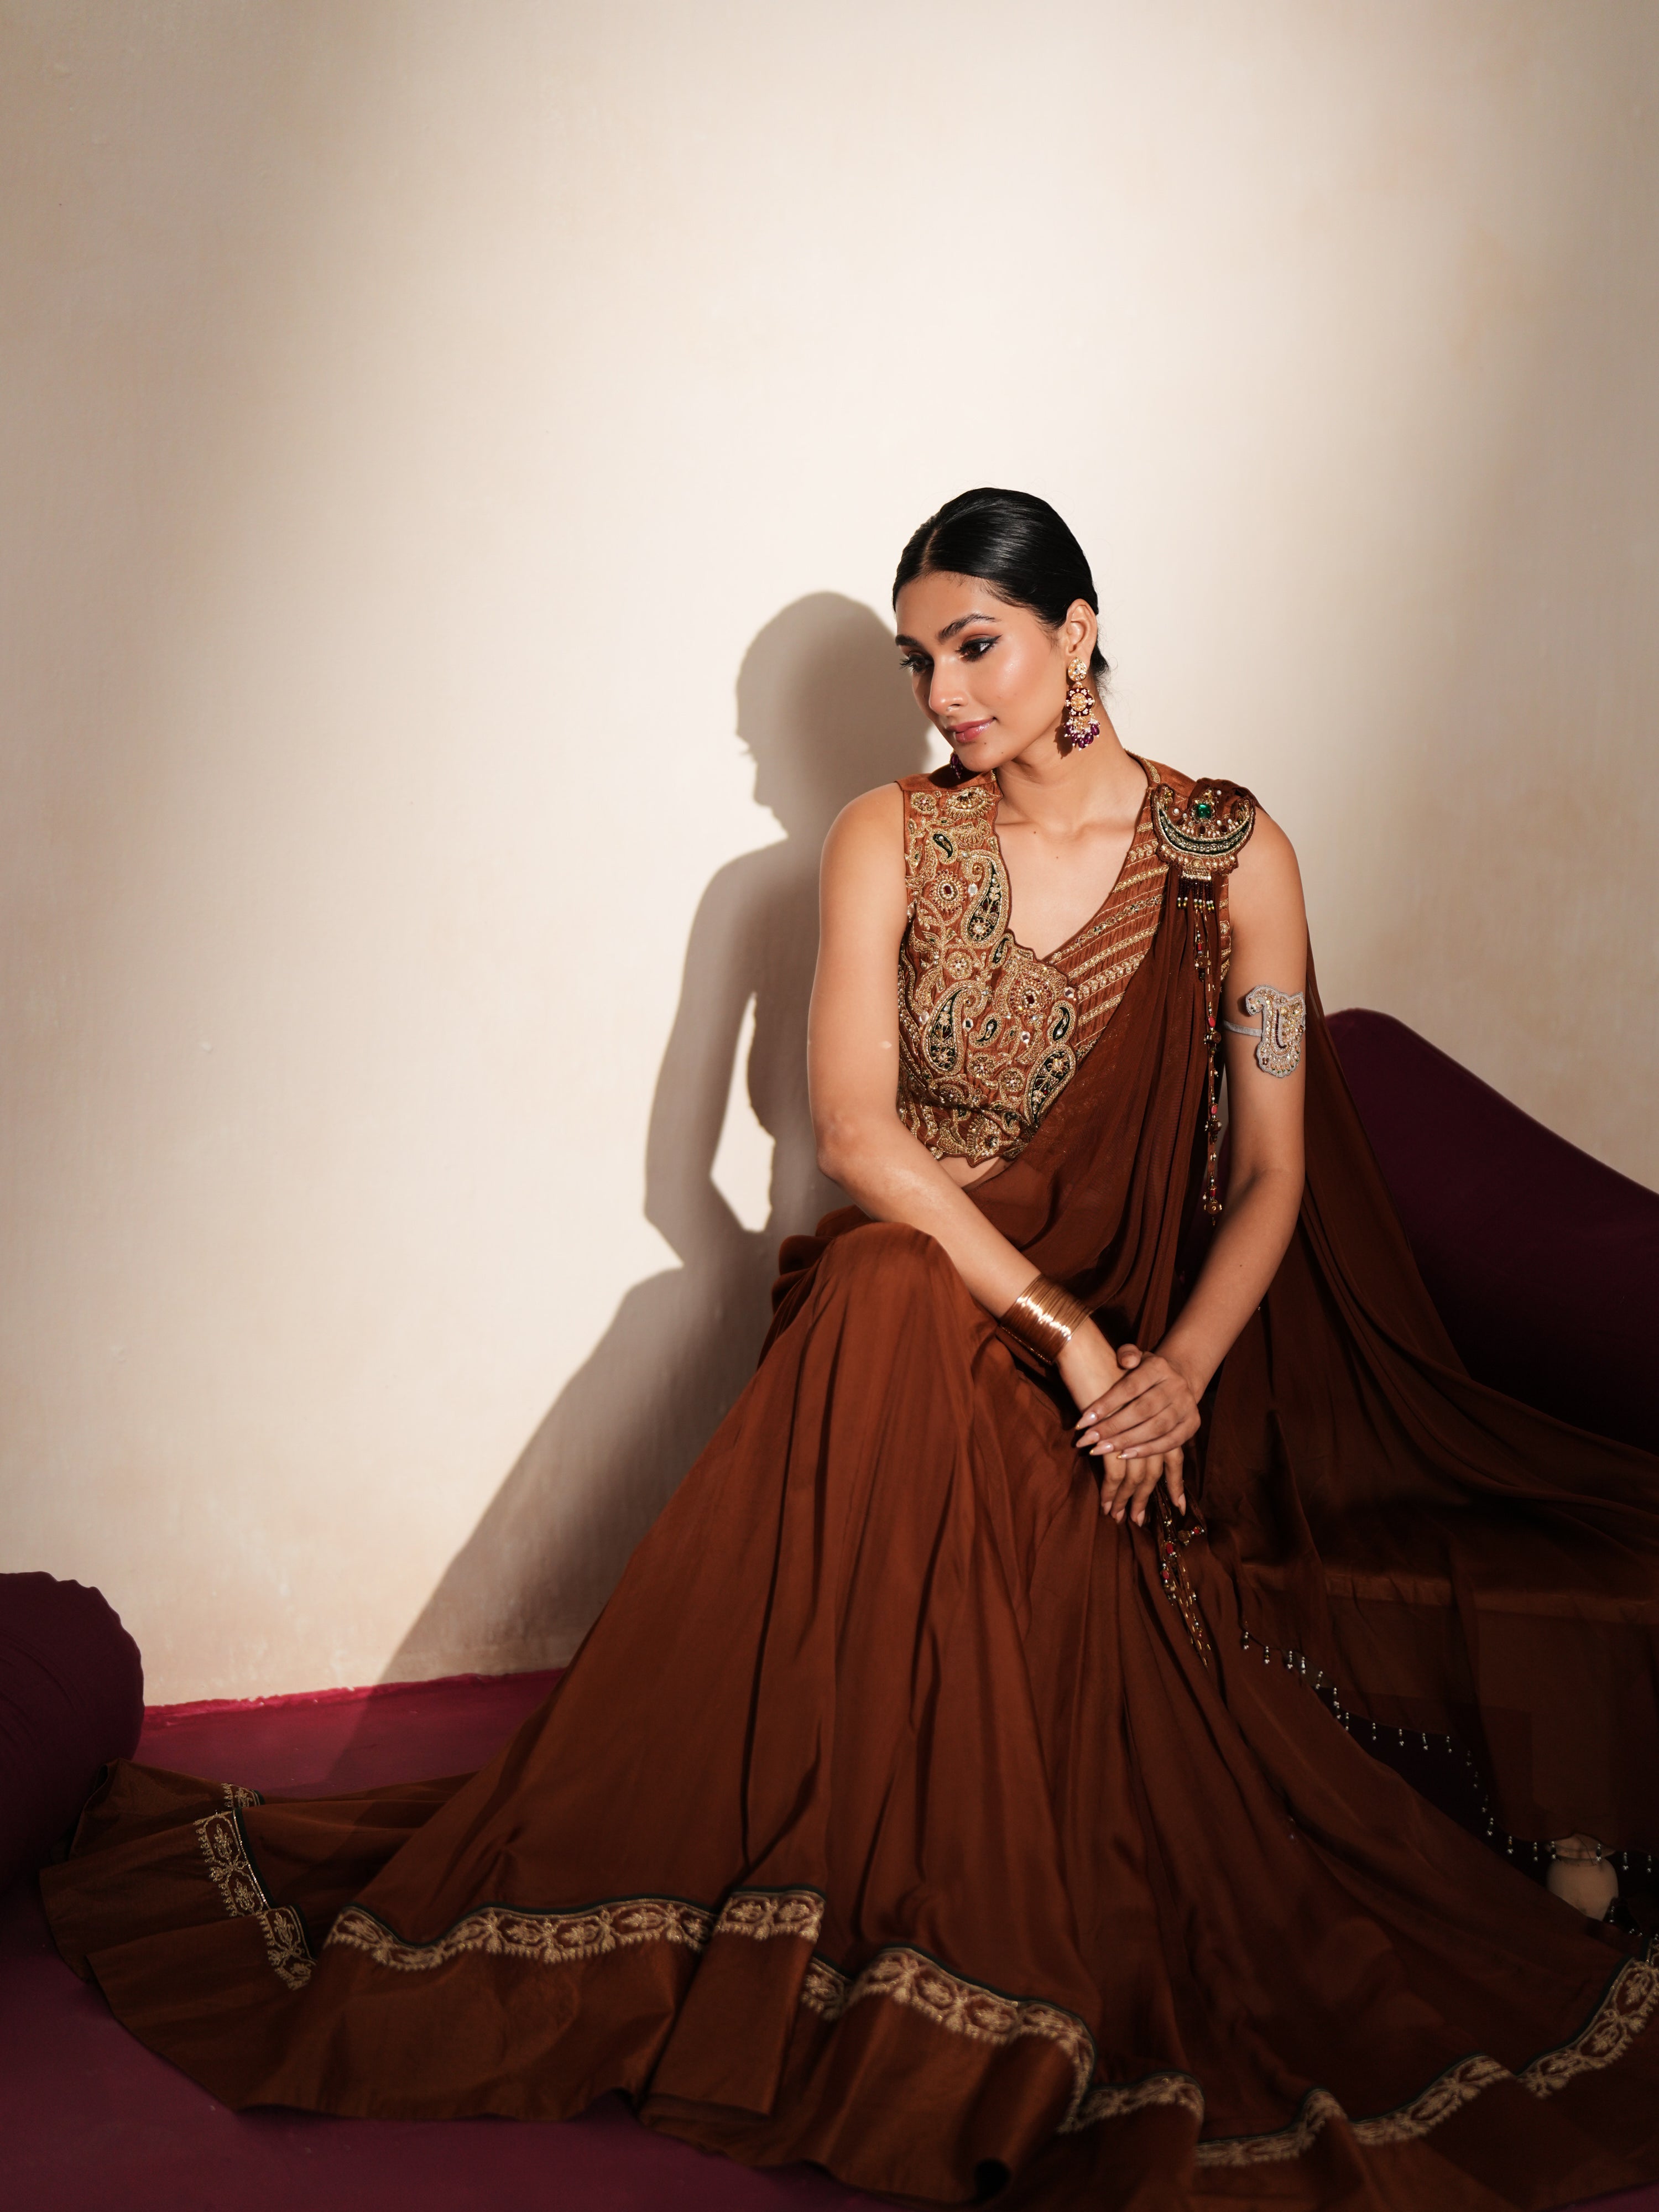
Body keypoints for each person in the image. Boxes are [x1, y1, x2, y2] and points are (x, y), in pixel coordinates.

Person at [42, 491, 1659, 2209]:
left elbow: (1272, 1172)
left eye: (978, 645)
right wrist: (1064, 1330)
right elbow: (858, 1135)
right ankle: (870, 1942)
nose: (945, 693)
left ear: (1080, 631)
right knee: (884, 1292)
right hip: (948, 1300)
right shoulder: (885, 837)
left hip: (1165, 1341)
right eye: (919, 659)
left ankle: (903, 1951)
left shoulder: (1231, 857)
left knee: (917, 1323)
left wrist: (1170, 1368)